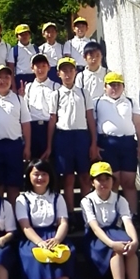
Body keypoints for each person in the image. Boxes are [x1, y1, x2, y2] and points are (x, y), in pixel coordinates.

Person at [15, 159, 76, 279]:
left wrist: (57, 239)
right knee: (36, 256)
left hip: (55, 235)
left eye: (44, 174)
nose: (40, 178)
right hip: (33, 237)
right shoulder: (22, 199)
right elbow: (25, 226)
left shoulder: (57, 197)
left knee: (65, 252)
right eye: (36, 174)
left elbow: (63, 222)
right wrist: (40, 242)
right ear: (29, 176)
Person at [43, 57, 99, 226]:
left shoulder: (84, 93)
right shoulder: (56, 94)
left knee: (84, 176)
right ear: (58, 74)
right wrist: (49, 145)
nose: (68, 74)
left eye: (70, 70)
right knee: (68, 178)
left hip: (82, 136)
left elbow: (90, 118)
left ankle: (87, 214)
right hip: (63, 137)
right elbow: (52, 120)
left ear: (75, 72)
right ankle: (70, 214)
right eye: (64, 71)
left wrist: (93, 142)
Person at [94, 72, 140, 217]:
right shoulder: (97, 102)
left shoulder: (130, 102)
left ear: (123, 87)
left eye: (118, 85)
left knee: (129, 182)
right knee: (113, 182)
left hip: (128, 144)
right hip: (107, 145)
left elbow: (138, 124)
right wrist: (94, 145)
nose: (115, 88)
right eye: (111, 85)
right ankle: (112, 216)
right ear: (105, 86)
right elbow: (91, 125)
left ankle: (132, 215)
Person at [0, 65, 31, 207]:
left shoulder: (19, 99)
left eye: (7, 77)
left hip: (14, 146)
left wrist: (27, 146)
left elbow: (25, 123)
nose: (3, 80)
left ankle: (13, 215)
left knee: (14, 185)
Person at [23, 54, 60, 159]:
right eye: (37, 66)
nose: (40, 70)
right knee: (34, 161)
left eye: (43, 66)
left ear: (49, 67)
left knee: (50, 160)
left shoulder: (56, 86)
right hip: (33, 128)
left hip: (49, 127)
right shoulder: (28, 87)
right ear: (32, 68)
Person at [8, 24, 39, 90]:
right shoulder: (13, 50)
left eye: (26, 34)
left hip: (34, 77)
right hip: (20, 79)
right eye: (21, 34)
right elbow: (11, 69)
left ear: (30, 35)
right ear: (17, 36)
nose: (24, 36)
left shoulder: (36, 49)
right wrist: (13, 85)